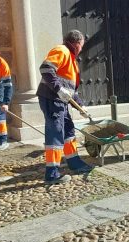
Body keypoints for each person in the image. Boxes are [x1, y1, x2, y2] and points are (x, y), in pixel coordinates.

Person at [36, 29, 93, 185]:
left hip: (59, 101)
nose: (81, 49)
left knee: (68, 130)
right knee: (56, 132)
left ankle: (74, 162)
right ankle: (52, 173)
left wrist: (81, 107)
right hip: (51, 98)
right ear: (77, 43)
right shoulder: (61, 50)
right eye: (81, 45)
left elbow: (70, 91)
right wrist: (58, 89)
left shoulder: (71, 60)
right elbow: (46, 69)